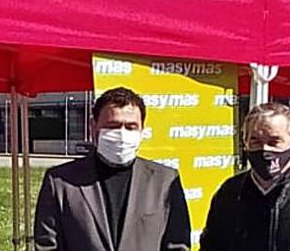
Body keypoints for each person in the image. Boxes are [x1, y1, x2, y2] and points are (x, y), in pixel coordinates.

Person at [34, 87, 191, 251]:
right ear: (93, 126)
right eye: (113, 125)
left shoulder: (165, 181)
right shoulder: (60, 182)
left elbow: (178, 245)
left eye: (131, 127)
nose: (122, 134)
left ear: (142, 130)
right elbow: (47, 246)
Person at [200, 102, 290, 251]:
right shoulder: (229, 192)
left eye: (274, 142)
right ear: (245, 144)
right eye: (255, 142)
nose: (265, 150)